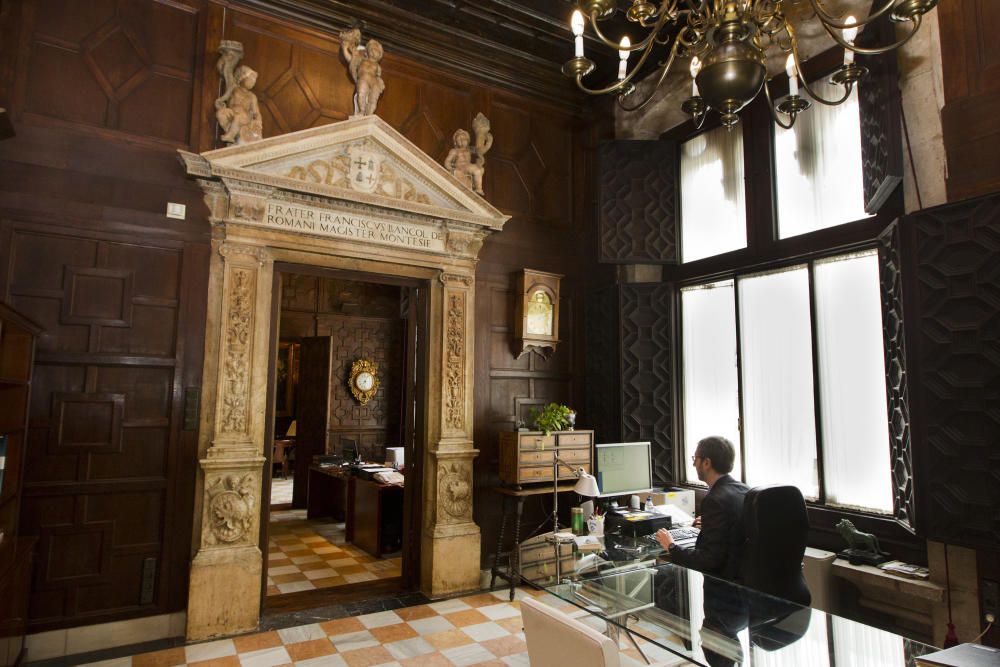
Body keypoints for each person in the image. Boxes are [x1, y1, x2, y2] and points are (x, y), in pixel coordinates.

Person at [655, 435, 749, 580]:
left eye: (695, 459)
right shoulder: (744, 489)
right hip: (743, 581)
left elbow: (709, 560)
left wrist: (671, 546)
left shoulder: (714, 500)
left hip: (723, 587)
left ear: (706, 463)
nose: (694, 465)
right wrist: (709, 526)